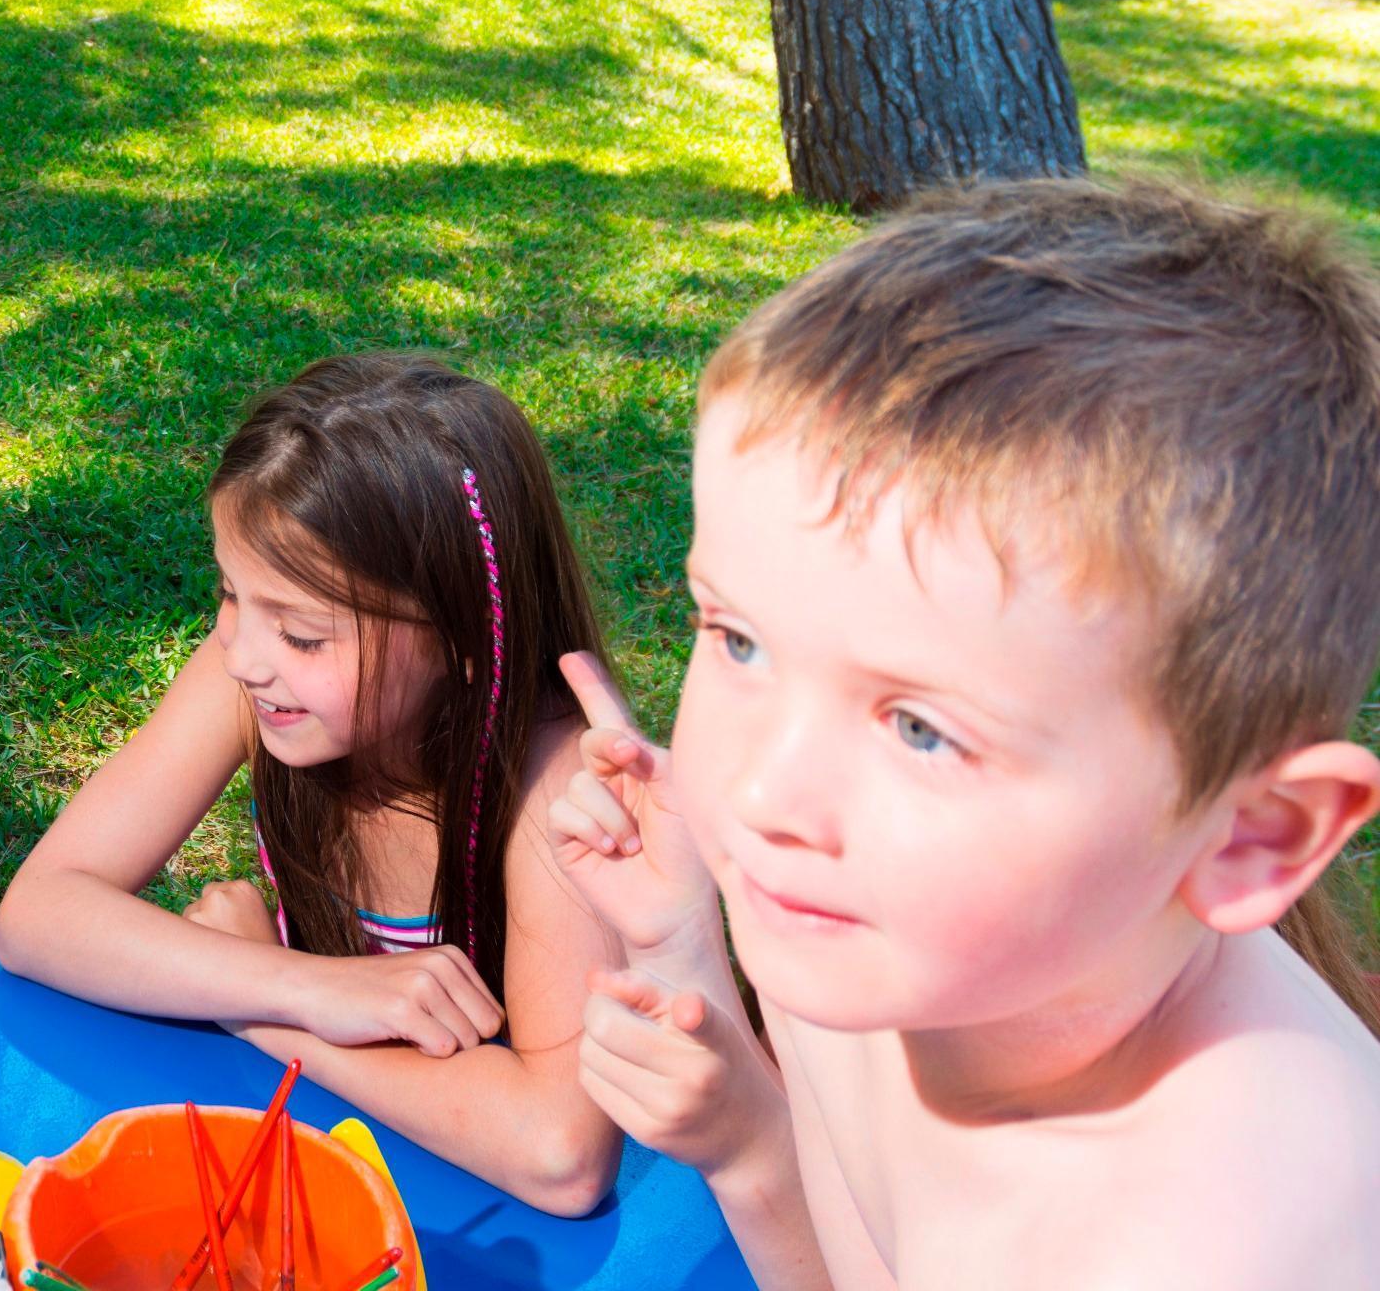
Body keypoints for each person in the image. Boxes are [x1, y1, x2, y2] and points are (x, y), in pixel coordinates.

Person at [546, 178, 1380, 1289]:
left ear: (1253, 835)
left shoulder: (1211, 1241)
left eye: (921, 728)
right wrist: (714, 1030)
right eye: (740, 640)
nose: (764, 794)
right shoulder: (884, 934)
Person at [0, 353, 627, 1216]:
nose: (244, 656)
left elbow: (562, 1156)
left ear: (463, 642)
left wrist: (259, 997)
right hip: (328, 1170)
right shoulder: (254, 678)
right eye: (228, 592)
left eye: (302, 635)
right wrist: (309, 989)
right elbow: (37, 916)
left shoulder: (558, 786)